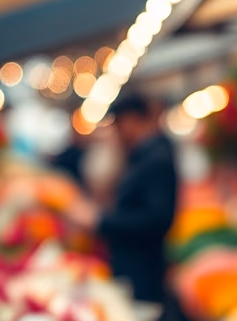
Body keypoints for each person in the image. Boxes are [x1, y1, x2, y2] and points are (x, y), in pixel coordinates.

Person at [71, 92, 178, 306]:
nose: (117, 131)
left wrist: (101, 221)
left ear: (132, 120)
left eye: (119, 124)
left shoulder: (156, 159)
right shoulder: (144, 155)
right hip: (137, 263)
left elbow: (156, 219)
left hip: (143, 266)